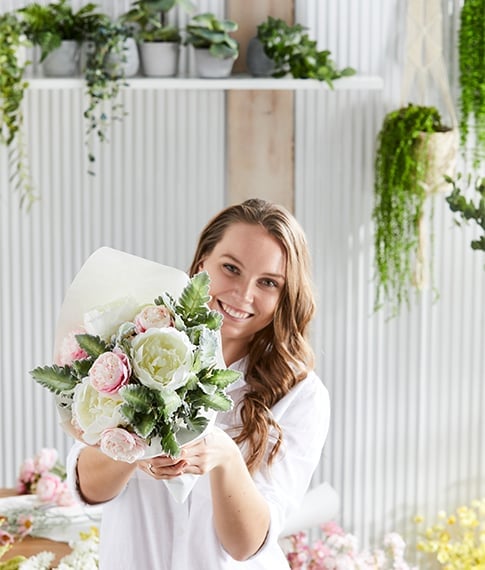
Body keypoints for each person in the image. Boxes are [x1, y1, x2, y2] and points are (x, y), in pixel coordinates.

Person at [66, 198, 330, 569]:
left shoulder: (301, 394)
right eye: (231, 268)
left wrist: (224, 456)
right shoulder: (126, 344)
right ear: (202, 261)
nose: (244, 294)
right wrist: (135, 448)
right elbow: (87, 489)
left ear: (286, 295)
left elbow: (246, 545)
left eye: (268, 282)